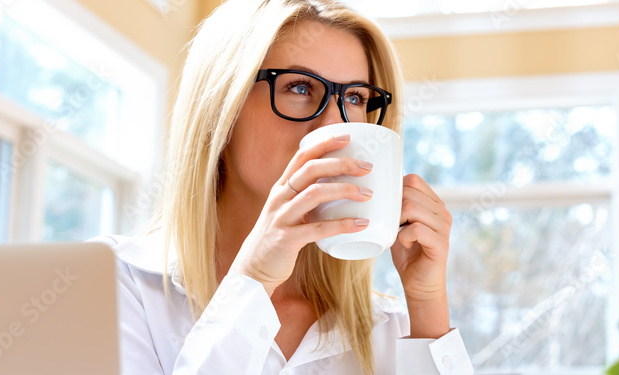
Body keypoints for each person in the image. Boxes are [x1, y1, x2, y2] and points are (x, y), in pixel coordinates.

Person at [89, 0, 473, 373]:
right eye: (301, 87)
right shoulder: (113, 282)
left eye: (355, 97)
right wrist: (252, 281)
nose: (332, 127)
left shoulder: (395, 330)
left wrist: (427, 306)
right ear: (224, 107)